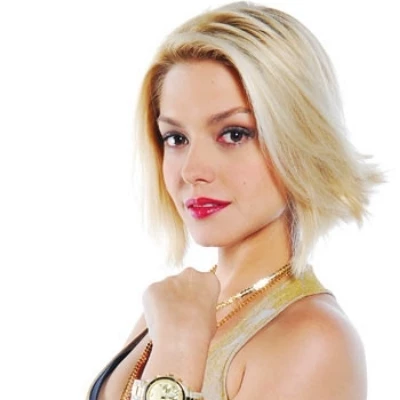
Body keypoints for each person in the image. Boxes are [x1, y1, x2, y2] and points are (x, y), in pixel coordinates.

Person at [89, 2, 383, 399]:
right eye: (176, 138)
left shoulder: (315, 341)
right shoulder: (175, 308)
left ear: (299, 138)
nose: (192, 170)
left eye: (234, 134)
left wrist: (180, 351)